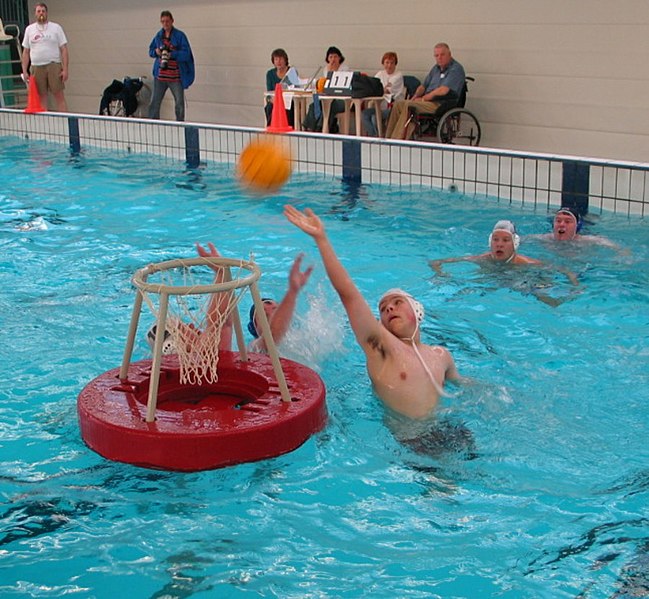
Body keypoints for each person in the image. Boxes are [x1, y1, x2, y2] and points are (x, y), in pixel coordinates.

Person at [284, 204, 461, 420]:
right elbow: (349, 295)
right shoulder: (383, 349)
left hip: (448, 429)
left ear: (418, 310)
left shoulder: (441, 355)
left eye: (397, 302)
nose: (389, 308)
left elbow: (462, 385)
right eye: (384, 308)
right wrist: (322, 239)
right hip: (412, 443)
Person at [429, 220, 580, 306]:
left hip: (520, 279)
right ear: (490, 241)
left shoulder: (525, 262)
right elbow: (436, 262)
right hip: (492, 282)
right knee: (460, 295)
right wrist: (442, 275)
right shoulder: (482, 259)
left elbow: (565, 270)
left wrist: (575, 286)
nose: (499, 244)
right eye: (496, 240)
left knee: (548, 300)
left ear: (515, 243)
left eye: (505, 240)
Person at [385, 42, 465, 140]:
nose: (439, 57)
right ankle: (387, 138)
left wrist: (423, 99)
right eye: (436, 55)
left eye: (442, 55)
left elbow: (443, 90)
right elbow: (423, 86)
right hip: (427, 101)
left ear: (449, 54)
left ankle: (397, 138)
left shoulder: (455, 69)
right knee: (398, 104)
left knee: (408, 106)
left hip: (440, 103)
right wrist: (414, 97)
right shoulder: (435, 69)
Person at [246, 253, 314, 353]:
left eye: (275, 310)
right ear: (255, 328)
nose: (271, 315)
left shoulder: (305, 337)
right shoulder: (254, 347)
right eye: (264, 315)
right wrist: (293, 291)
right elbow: (270, 339)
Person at [148, 10, 195, 122]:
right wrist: (156, 52)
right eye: (163, 21)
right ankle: (152, 123)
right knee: (155, 101)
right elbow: (150, 51)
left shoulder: (180, 36)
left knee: (179, 102)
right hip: (160, 76)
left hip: (175, 77)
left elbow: (186, 54)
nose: (165, 24)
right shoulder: (158, 36)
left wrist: (172, 54)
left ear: (172, 21)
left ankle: (179, 123)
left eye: (167, 21)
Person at [21, 3, 69, 112]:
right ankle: (45, 124)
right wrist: (24, 70)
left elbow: (64, 49)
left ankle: (65, 122)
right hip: (37, 67)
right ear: (35, 14)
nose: (41, 13)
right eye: (39, 11)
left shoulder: (56, 28)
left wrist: (65, 69)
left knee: (59, 95)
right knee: (42, 95)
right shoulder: (29, 30)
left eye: (43, 11)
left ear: (46, 13)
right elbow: (26, 52)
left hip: (54, 65)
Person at [302, 46, 349, 133]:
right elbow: (324, 85)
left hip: (341, 100)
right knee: (314, 105)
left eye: (335, 56)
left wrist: (332, 72)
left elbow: (338, 87)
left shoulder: (344, 70)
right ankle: (309, 126)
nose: (333, 59)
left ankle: (321, 127)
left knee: (329, 106)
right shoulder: (325, 69)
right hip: (327, 98)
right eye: (330, 57)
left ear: (340, 58)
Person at [532, 206, 622, 250]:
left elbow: (617, 247)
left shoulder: (587, 240)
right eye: (558, 221)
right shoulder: (544, 238)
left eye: (567, 222)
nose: (561, 225)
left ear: (577, 226)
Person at [361, 51, 405, 137]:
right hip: (379, 106)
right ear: (383, 63)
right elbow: (373, 87)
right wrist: (381, 89)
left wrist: (380, 89)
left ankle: (379, 138)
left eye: (392, 63)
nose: (389, 65)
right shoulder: (380, 74)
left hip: (392, 108)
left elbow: (387, 90)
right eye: (387, 62)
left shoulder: (398, 75)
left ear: (395, 64)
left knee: (374, 118)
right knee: (364, 114)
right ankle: (374, 135)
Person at [264, 48, 296, 126]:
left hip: (288, 99)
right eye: (276, 59)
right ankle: (271, 127)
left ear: (285, 60)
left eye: (281, 59)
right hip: (275, 99)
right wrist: (272, 99)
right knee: (269, 106)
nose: (278, 61)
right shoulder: (270, 74)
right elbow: (269, 91)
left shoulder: (291, 72)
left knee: (288, 106)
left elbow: (295, 88)